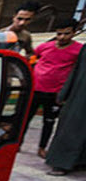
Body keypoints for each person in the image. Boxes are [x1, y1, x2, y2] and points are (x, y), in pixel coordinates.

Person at [21, 19, 82, 158]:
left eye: (66, 34)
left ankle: (42, 148)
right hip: (35, 89)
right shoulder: (45, 46)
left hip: (55, 93)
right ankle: (18, 144)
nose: (62, 37)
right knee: (25, 118)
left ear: (74, 33)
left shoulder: (78, 50)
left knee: (49, 121)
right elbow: (32, 57)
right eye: (59, 34)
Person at [45, 43, 86, 176]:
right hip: (80, 96)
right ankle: (62, 163)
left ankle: (80, 161)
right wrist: (64, 93)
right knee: (73, 128)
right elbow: (75, 72)